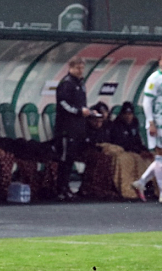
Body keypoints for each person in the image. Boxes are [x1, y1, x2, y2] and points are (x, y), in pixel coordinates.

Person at [131, 52, 162, 204]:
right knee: (160, 157)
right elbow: (147, 102)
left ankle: (141, 182)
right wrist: (151, 122)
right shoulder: (153, 79)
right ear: (159, 62)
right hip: (157, 121)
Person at [55, 56, 96, 201]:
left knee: (71, 158)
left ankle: (66, 188)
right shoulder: (66, 83)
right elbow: (63, 104)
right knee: (65, 159)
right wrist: (79, 111)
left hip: (77, 128)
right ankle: (61, 189)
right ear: (70, 68)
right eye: (78, 68)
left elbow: (80, 104)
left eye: (82, 68)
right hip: (66, 129)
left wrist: (88, 111)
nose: (80, 71)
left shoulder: (81, 83)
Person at [107, 101, 154, 200]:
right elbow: (121, 143)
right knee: (132, 160)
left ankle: (153, 187)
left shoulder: (134, 124)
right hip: (124, 152)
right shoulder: (116, 125)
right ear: (122, 115)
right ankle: (129, 189)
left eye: (130, 114)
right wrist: (139, 151)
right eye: (126, 114)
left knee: (153, 159)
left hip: (136, 151)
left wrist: (145, 151)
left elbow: (138, 141)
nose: (128, 116)